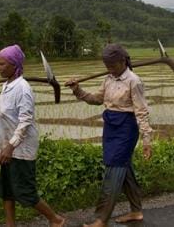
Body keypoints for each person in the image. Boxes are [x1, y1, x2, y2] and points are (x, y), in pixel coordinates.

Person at [0, 44, 65, 227]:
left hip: (20, 148)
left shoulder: (23, 89)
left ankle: (56, 220)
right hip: (8, 146)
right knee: (7, 191)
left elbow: (25, 120)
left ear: (13, 65)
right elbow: (0, 112)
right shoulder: (6, 85)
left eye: (2, 64)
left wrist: (11, 146)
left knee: (26, 192)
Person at [65, 44, 153, 227]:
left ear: (123, 61)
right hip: (111, 127)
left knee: (113, 170)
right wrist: (77, 90)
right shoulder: (108, 79)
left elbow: (142, 112)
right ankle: (136, 211)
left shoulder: (134, 81)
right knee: (124, 168)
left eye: (112, 65)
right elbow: (97, 99)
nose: (109, 69)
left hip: (126, 130)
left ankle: (101, 219)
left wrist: (146, 139)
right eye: (107, 65)